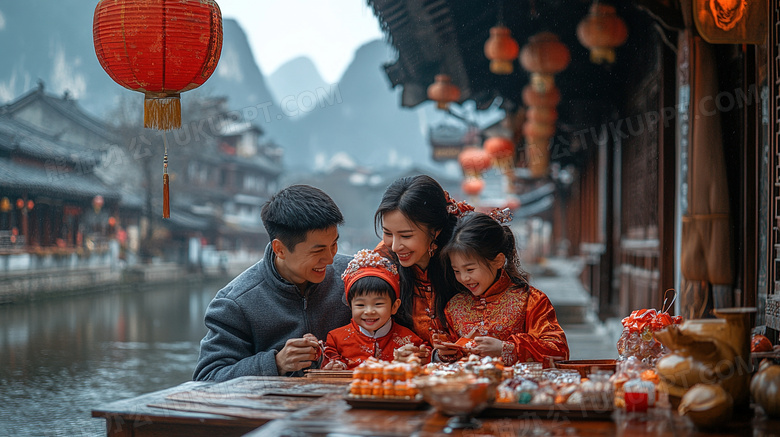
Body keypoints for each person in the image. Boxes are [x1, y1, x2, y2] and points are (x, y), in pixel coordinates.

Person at [193, 185, 352, 381]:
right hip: (276, 410)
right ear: (280, 249)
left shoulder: (354, 275)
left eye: (334, 244)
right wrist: (276, 363)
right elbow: (207, 378)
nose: (329, 259)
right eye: (317, 251)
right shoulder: (236, 303)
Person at [440, 211, 570, 365]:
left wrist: (506, 348)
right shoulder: (454, 306)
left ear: (498, 261)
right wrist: (446, 352)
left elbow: (559, 351)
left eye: (470, 269)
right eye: (457, 271)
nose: (463, 278)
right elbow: (451, 355)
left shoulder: (530, 301)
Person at [374, 175, 470, 356]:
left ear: (435, 231)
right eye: (387, 233)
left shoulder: (465, 254)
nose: (395, 246)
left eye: (406, 236)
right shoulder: (382, 259)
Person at [321, 249, 429, 370]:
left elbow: (426, 357)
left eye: (378, 304)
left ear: (394, 306)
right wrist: (335, 366)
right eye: (360, 305)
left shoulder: (409, 340)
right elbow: (328, 364)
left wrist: (419, 357)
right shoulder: (336, 339)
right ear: (350, 305)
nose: (369, 311)